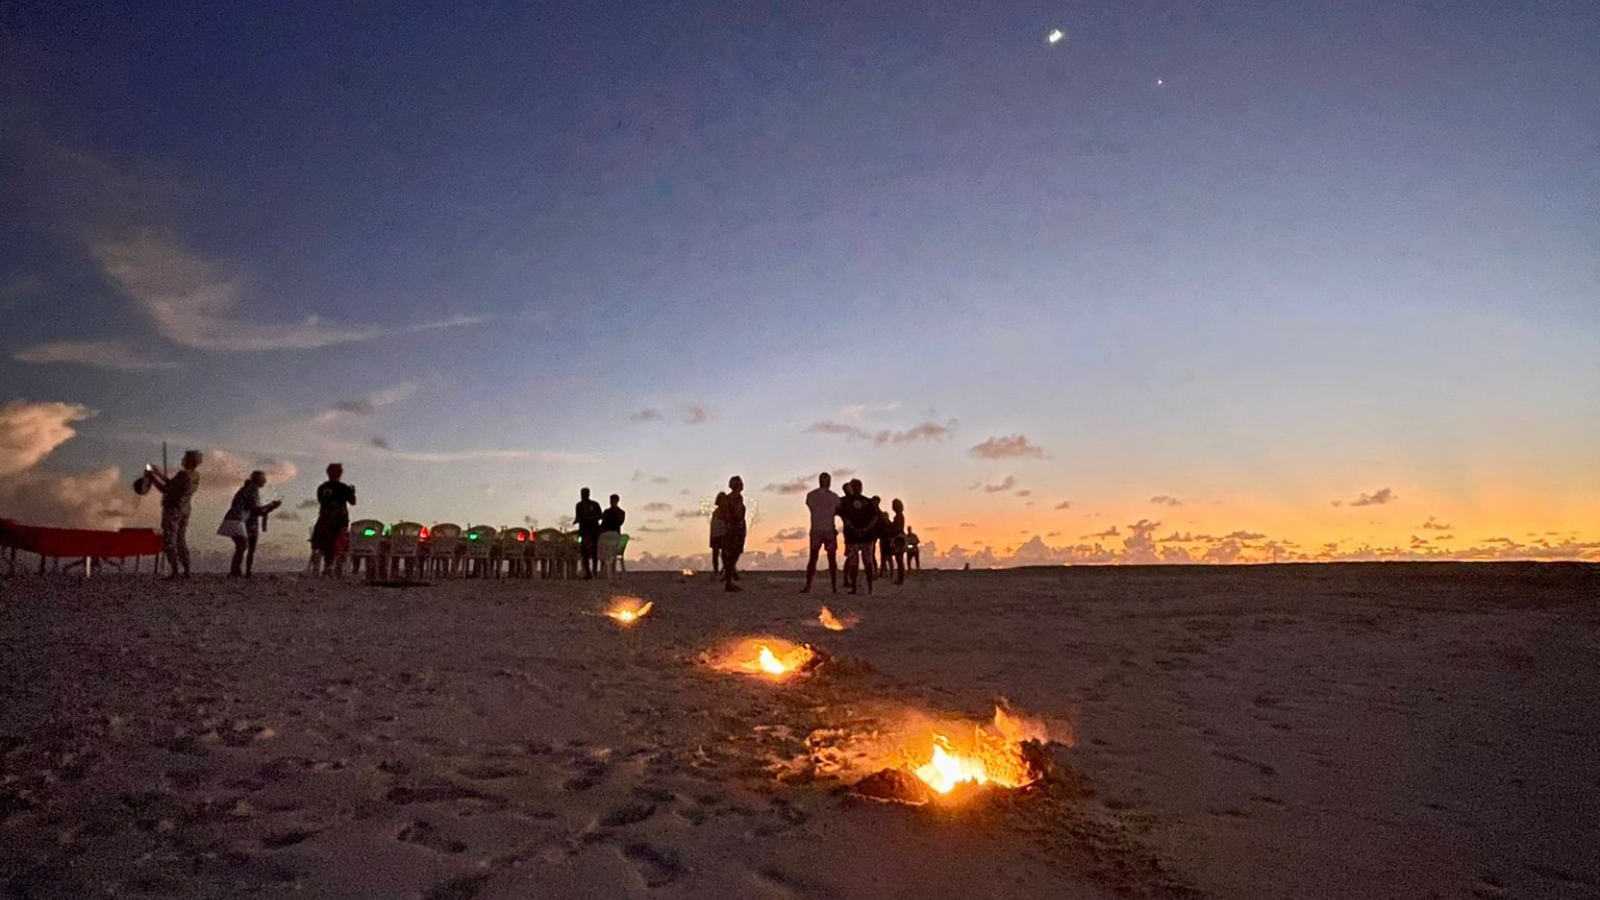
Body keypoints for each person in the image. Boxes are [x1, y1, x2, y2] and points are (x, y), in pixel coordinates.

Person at [148, 450, 202, 578]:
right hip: (185, 509)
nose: (182, 459)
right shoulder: (196, 476)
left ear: (188, 461)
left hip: (173, 510)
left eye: (184, 457)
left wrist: (152, 478)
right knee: (181, 539)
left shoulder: (183, 475)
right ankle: (187, 569)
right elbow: (171, 484)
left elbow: (166, 489)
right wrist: (157, 473)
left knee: (169, 540)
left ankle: (175, 570)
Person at [218, 470, 281, 577]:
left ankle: (236, 571)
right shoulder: (253, 488)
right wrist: (271, 506)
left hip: (236, 519)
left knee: (241, 546)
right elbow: (255, 509)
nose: (265, 481)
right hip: (236, 520)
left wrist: (269, 507)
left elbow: (254, 509)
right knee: (243, 545)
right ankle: (236, 572)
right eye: (263, 478)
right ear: (258, 479)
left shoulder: (247, 489)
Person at [312, 463, 356, 577]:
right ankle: (336, 568)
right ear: (340, 473)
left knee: (327, 544)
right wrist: (352, 493)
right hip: (339, 522)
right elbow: (353, 502)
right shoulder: (343, 488)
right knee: (340, 545)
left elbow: (321, 502)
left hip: (323, 522)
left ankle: (327, 567)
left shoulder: (321, 488)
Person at [801, 472, 841, 594]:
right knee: (820, 558)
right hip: (822, 529)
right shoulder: (832, 497)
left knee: (822, 558)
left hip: (823, 529)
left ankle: (830, 586)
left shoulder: (813, 496)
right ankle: (830, 587)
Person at [839, 479, 878, 595]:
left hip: (863, 537)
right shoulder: (846, 502)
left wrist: (864, 529)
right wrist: (858, 529)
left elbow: (875, 517)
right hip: (854, 537)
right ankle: (858, 588)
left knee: (866, 562)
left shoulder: (866, 501)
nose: (856, 488)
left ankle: (868, 587)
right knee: (855, 563)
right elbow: (844, 517)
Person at [721, 476, 747, 592]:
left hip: (730, 528)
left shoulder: (728, 499)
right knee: (733, 554)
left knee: (730, 554)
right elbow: (737, 514)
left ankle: (729, 579)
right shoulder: (736, 498)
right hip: (735, 529)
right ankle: (729, 581)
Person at [574, 487, 604, 578]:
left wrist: (590, 519)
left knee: (592, 551)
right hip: (585, 531)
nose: (583, 495)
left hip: (592, 531)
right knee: (585, 552)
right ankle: (588, 572)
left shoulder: (594, 504)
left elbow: (600, 516)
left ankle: (593, 571)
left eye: (584, 493)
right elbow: (578, 517)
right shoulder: (579, 505)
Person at [888, 498, 907, 585]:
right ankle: (900, 577)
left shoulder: (899, 516)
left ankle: (900, 578)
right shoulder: (899, 516)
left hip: (898, 537)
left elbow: (898, 528)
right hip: (899, 537)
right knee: (899, 559)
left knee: (899, 559)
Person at [709, 491, 728, 576]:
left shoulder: (727, 512)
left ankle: (727, 570)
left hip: (723, 534)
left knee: (725, 554)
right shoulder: (716, 512)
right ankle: (716, 571)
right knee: (715, 554)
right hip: (715, 535)